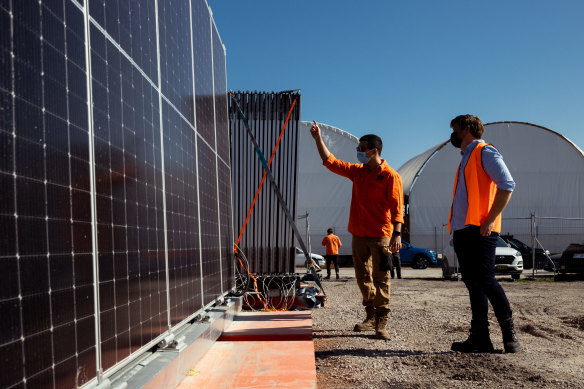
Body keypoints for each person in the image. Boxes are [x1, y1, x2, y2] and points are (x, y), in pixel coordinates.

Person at [310, 121, 404, 340]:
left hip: (381, 236)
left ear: (374, 151)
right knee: (362, 277)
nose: (358, 152)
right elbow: (330, 162)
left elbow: (397, 208)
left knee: (381, 277)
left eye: (361, 149)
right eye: (358, 149)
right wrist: (318, 139)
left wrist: (396, 235)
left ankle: (382, 320)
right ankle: (371, 314)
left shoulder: (390, 176)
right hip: (359, 234)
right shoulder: (358, 172)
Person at [448, 114, 522, 353]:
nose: (452, 135)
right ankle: (480, 338)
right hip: (464, 231)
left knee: (486, 280)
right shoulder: (466, 157)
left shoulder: (485, 152)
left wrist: (490, 220)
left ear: (467, 129)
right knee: (473, 284)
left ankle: (511, 338)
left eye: (455, 129)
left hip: (480, 230)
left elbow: (507, 184)